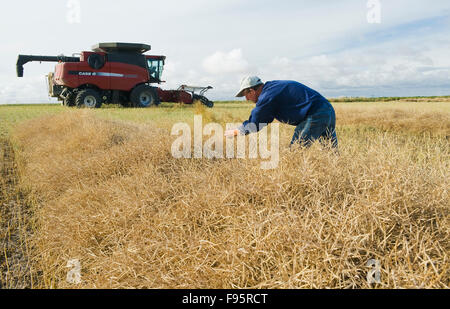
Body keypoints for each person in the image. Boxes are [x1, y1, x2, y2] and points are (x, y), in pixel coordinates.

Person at [225, 76, 338, 149]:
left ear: (252, 90)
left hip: (315, 114)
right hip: (327, 110)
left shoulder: (266, 97)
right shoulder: (273, 88)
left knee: (296, 150)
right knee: (331, 151)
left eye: (246, 95)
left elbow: (256, 123)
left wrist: (236, 131)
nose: (247, 99)